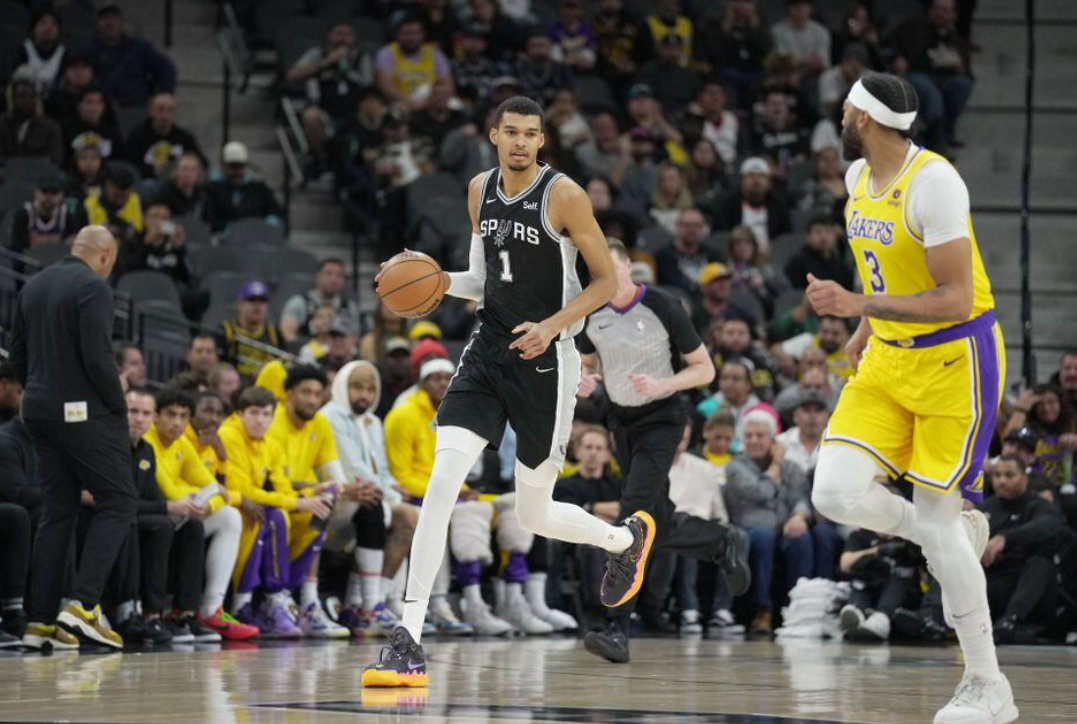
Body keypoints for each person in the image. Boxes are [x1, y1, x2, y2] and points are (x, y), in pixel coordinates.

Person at [363, 96, 652, 687]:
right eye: (511, 132)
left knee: (533, 511)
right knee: (440, 487)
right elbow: (481, 280)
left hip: (548, 360)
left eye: (532, 134)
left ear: (542, 140)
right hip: (488, 352)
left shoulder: (565, 195)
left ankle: (625, 539)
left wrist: (551, 326)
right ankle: (409, 637)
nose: (521, 142)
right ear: (492, 134)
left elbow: (606, 281)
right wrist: (436, 282)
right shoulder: (478, 190)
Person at [807, 72, 1016, 723]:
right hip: (886, 360)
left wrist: (857, 306)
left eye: (846, 109)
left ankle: (987, 685)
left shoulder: (934, 184)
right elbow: (883, 266)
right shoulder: (854, 182)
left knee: (933, 524)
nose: (839, 116)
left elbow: (954, 296)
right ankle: (944, 530)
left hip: (957, 360)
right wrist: (866, 328)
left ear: (864, 120)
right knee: (833, 493)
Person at [573, 238, 748, 662]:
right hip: (622, 423)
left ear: (629, 266)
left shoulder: (664, 306)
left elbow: (703, 368)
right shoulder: (589, 313)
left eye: (613, 268)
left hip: (663, 418)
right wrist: (586, 376)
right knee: (659, 522)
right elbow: (590, 360)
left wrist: (663, 384)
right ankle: (721, 541)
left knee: (634, 514)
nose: (607, 277)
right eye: (599, 270)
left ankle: (617, 627)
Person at [10, 226, 135, 650]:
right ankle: (82, 606)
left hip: (38, 411)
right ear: (104, 256)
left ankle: (40, 622)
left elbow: (18, 352)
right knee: (119, 501)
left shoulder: (34, 285)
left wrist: (39, 392)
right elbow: (98, 357)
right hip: (81, 413)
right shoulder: (93, 288)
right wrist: (117, 404)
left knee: (58, 510)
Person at [143, 387, 258, 640]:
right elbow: (168, 490)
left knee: (229, 516)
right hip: (152, 514)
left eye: (183, 416)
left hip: (179, 513)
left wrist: (207, 504)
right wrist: (199, 495)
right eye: (171, 415)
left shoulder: (182, 442)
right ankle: (156, 611)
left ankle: (209, 610)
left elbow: (218, 490)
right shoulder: (148, 441)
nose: (177, 423)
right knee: (189, 521)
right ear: (156, 416)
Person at [221, 386, 334, 637]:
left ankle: (278, 599)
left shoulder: (271, 444)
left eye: (265, 414)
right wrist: (297, 502)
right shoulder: (229, 435)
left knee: (323, 504)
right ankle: (245, 606)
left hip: (257, 508)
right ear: (239, 414)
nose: (259, 420)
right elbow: (241, 489)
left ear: (273, 417)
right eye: (253, 413)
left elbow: (284, 489)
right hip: (230, 506)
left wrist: (311, 494)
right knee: (276, 516)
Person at [321, 360, 421, 636]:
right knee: (399, 514)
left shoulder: (373, 422)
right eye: (357, 387)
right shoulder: (330, 416)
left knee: (410, 515)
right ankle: (372, 602)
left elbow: (382, 470)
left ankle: (370, 602)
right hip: (340, 496)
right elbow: (354, 468)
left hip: (372, 493)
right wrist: (390, 495)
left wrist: (394, 487)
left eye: (369, 388)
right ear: (343, 386)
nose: (364, 395)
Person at [265, 365, 351, 638]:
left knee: (328, 501)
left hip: (303, 499)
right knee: (294, 510)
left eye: (317, 393)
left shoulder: (320, 423)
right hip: (273, 498)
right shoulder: (273, 421)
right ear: (289, 394)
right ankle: (275, 599)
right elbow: (275, 482)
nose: (313, 400)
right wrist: (316, 488)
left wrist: (345, 488)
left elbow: (332, 469)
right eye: (305, 393)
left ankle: (309, 603)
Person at [725, 410, 813, 638]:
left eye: (760, 436)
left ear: (773, 440)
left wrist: (799, 517)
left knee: (801, 538)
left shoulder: (791, 468)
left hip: (783, 528)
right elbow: (761, 491)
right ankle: (761, 610)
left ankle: (797, 609)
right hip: (750, 530)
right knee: (762, 538)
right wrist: (775, 464)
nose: (754, 441)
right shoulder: (735, 467)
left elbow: (801, 499)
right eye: (749, 436)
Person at [981, 455, 1064, 643]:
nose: (1002, 481)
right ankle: (932, 616)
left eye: (1009, 475)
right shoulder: (986, 507)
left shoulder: (1038, 505)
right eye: (997, 475)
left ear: (1024, 478)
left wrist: (1006, 538)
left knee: (1041, 563)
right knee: (956, 560)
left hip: (1026, 589)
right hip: (994, 581)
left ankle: (1011, 620)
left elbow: (1050, 525)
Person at [81, 3, 176, 108]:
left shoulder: (139, 48)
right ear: (97, 23)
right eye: (105, 18)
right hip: (99, 109)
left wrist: (164, 94)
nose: (110, 22)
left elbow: (166, 68)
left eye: (114, 18)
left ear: (122, 22)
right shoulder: (87, 50)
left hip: (134, 106)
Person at [202, 142, 284, 233]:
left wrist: (271, 220)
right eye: (233, 166)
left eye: (241, 166)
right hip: (223, 238)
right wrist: (227, 228)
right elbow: (209, 217)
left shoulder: (258, 188)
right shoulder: (213, 189)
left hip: (255, 236)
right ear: (224, 165)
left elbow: (275, 210)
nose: (237, 170)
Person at [125, 93, 205, 180]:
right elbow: (129, 166)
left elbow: (202, 163)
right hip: (147, 182)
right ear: (151, 111)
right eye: (160, 110)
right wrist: (152, 170)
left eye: (170, 110)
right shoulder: (137, 135)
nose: (165, 115)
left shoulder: (185, 138)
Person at [280, 259, 361, 345]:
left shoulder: (349, 307)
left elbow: (355, 338)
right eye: (328, 273)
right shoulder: (299, 303)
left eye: (339, 275)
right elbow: (288, 335)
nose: (334, 279)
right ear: (318, 278)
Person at [218, 280, 285, 382]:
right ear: (239, 304)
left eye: (262, 301)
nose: (257, 306)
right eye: (251, 300)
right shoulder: (226, 331)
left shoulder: (274, 333)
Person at [8, 170, 86, 255]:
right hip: (29, 262)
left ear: (62, 195)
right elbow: (16, 248)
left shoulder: (66, 215)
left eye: (54, 192)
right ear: (36, 192)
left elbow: (73, 243)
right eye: (44, 192)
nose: (49, 197)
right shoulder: (24, 214)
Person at [0, 71, 64, 167]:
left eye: (29, 95)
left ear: (36, 98)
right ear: (13, 97)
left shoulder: (50, 128)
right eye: (21, 95)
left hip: (40, 179)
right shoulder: (2, 124)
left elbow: (55, 160)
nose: (25, 100)